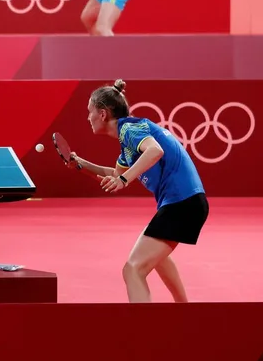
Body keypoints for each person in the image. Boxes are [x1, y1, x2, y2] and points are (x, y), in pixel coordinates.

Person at [67, 79, 209, 303]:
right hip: (187, 202)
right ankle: (185, 310)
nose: (88, 117)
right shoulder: (129, 143)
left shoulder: (129, 128)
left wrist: (124, 179)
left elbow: (155, 151)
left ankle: (143, 331)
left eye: (90, 112)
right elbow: (115, 173)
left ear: (103, 114)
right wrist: (81, 165)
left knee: (132, 269)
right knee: (156, 257)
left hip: (183, 203)